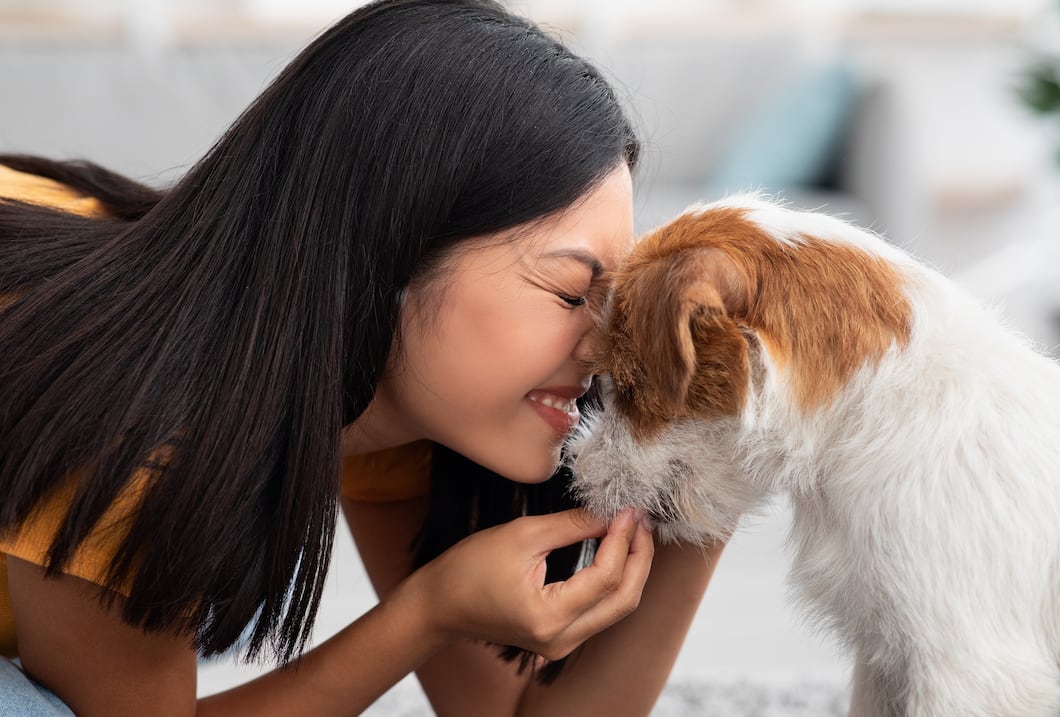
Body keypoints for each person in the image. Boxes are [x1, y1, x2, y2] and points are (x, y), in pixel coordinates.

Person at [0, 1, 726, 714]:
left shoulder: (376, 391)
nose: (604, 349)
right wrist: (427, 611)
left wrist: (721, 469)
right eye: (571, 292)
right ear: (393, 258)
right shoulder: (136, 419)